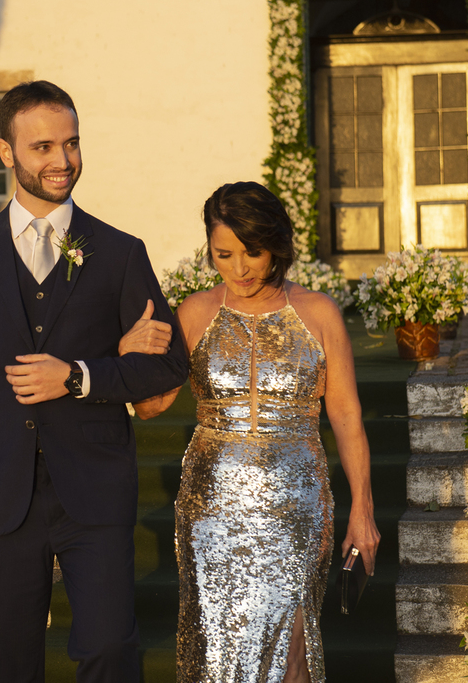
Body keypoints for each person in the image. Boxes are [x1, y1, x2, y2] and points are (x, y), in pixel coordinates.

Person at [0, 81, 189, 682]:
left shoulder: (119, 252)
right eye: (43, 147)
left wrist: (81, 376)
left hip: (94, 484)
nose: (62, 161)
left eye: (71, 144)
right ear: (6, 152)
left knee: (108, 651)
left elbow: (169, 365)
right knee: (10, 663)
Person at [136, 182, 376, 683]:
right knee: (217, 659)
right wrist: (132, 350)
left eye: (254, 252)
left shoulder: (319, 313)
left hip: (297, 507)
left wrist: (363, 510)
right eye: (224, 254)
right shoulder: (195, 313)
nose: (240, 268)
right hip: (210, 511)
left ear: (278, 247)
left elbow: (348, 417)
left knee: (291, 658)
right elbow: (151, 406)